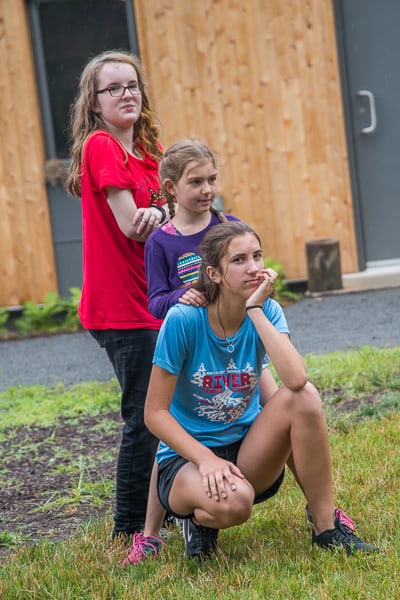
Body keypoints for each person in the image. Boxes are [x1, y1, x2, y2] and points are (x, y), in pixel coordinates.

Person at [129, 221, 380, 562]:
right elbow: (154, 414)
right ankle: (197, 522)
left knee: (305, 397)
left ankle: (326, 527)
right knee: (236, 503)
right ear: (214, 274)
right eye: (239, 260)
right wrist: (206, 460)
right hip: (187, 460)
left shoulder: (267, 311)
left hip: (247, 450)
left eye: (257, 256)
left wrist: (255, 310)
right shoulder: (183, 320)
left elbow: (296, 380)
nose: (253, 267)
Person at [65, 49, 170, 540]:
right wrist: (165, 217)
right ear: (95, 101)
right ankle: (129, 528)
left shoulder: (149, 152)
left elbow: (177, 210)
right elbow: (133, 225)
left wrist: (164, 215)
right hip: (121, 309)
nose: (126, 94)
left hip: (154, 300)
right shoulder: (101, 145)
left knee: (166, 411)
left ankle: (169, 508)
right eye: (113, 88)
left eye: (132, 85)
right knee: (145, 418)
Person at [144, 138, 240, 320]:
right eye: (196, 182)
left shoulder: (232, 227)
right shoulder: (159, 242)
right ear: (171, 187)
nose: (207, 189)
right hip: (192, 334)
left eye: (212, 180)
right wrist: (179, 295)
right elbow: (156, 304)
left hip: (237, 328)